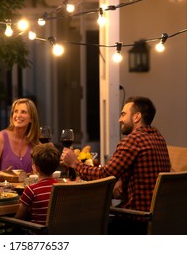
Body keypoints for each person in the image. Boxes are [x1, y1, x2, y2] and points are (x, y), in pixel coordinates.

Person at [61, 96, 170, 234]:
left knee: (85, 227)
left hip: (135, 222)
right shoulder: (159, 138)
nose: (119, 119)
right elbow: (144, 174)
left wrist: (75, 163)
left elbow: (103, 175)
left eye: (123, 114)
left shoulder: (133, 140)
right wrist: (122, 181)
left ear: (137, 117)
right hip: (158, 220)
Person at [0, 98, 40, 173]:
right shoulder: (0, 138)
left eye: (23, 112)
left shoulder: (35, 142)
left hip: (29, 185)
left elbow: (43, 173)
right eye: (16, 111)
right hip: (4, 184)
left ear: (31, 118)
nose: (18, 115)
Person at [15, 143, 61, 227]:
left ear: (36, 168)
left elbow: (19, 218)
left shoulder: (31, 190)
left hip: (37, 233)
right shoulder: (61, 188)